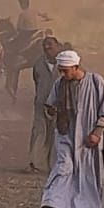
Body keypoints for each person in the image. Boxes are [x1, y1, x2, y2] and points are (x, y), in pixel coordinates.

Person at [40, 49, 104, 208]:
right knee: (63, 166)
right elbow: (50, 105)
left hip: (88, 136)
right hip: (65, 133)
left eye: (65, 70)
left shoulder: (95, 81)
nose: (62, 74)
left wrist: (97, 132)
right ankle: (53, 204)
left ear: (75, 67)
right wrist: (52, 111)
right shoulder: (59, 84)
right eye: (60, 70)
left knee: (86, 172)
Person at [28, 37, 65, 173]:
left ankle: (51, 164)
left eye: (50, 45)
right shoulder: (38, 64)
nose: (47, 48)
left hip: (58, 106)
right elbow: (36, 81)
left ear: (58, 46)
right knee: (38, 131)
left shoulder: (64, 64)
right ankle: (34, 163)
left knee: (54, 134)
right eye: (45, 46)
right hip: (41, 103)